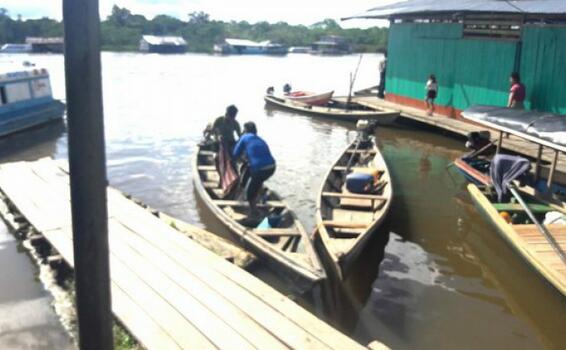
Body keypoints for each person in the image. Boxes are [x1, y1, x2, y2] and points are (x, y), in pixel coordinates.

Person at [232, 122, 276, 214]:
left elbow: (235, 153)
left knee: (249, 193)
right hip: (272, 167)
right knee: (256, 180)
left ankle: (254, 212)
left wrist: (236, 160)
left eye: (244, 130)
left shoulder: (244, 137)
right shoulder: (260, 139)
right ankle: (260, 195)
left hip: (259, 169)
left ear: (246, 130)